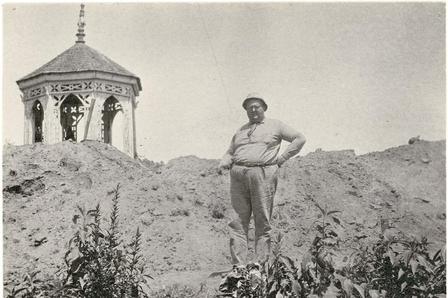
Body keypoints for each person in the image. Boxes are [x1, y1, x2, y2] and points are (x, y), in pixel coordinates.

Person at [218, 93, 306, 265]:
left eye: (256, 106)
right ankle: (238, 269)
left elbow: (300, 138)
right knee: (236, 223)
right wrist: (225, 161)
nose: (252, 109)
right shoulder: (241, 130)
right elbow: (230, 151)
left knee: (262, 222)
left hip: (262, 175)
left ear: (264, 107)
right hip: (238, 176)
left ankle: (260, 267)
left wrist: (282, 158)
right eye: (248, 107)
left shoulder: (276, 125)